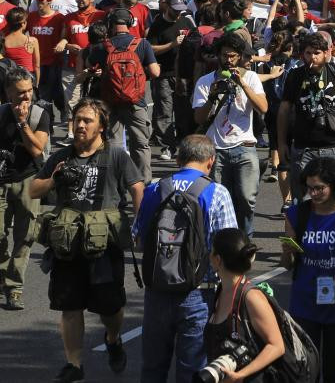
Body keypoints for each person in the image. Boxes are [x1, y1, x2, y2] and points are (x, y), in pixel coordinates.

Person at [30, 99, 144, 383]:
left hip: (104, 242)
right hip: (68, 242)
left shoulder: (117, 156)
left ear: (102, 127)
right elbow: (33, 189)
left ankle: (113, 338)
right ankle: (74, 364)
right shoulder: (61, 156)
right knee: (70, 306)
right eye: (77, 119)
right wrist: (54, 180)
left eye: (87, 121)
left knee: (110, 306)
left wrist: (140, 225)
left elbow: (137, 188)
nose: (80, 125)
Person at [134, 134, 237, 382]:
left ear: (178, 158)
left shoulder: (155, 189)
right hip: (197, 293)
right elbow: (229, 253)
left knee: (153, 368)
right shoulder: (217, 192)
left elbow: (138, 239)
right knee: (192, 369)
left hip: (157, 289)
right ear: (210, 161)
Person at [281, 157, 335, 383]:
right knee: (306, 369)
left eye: (319, 188)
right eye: (309, 188)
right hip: (305, 304)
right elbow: (287, 265)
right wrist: (287, 252)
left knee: (333, 369)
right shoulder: (296, 215)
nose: (313, 194)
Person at [277, 32, 335, 196]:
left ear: (326, 53)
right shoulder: (295, 75)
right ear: (302, 54)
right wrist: (281, 143)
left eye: (317, 53)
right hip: (303, 149)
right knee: (302, 200)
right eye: (308, 53)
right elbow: (284, 110)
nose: (312, 57)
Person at [193, 32, 267, 237]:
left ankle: (245, 238)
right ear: (218, 55)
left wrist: (242, 83)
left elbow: (263, 108)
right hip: (215, 148)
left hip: (244, 146)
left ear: (240, 57)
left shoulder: (251, 77)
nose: (229, 60)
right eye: (225, 55)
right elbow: (199, 119)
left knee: (246, 199)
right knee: (218, 200)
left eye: (233, 56)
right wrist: (212, 96)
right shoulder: (205, 82)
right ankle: (222, 243)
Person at [85, 7, 160, 183]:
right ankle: (143, 182)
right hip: (136, 102)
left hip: (110, 101)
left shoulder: (104, 46)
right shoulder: (142, 44)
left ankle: (116, 182)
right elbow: (155, 72)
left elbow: (89, 64)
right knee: (140, 144)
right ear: (130, 23)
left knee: (114, 143)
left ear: (110, 24)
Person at [203, 229, 286, 380]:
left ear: (218, 260)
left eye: (212, 251)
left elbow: (277, 346)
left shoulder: (251, 298)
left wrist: (240, 375)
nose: (209, 255)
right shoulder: (220, 292)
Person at [0, 68, 50, 310]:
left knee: (25, 236)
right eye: (20, 93)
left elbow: (37, 150)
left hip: (28, 181)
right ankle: (2, 275)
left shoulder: (40, 114)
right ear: (8, 92)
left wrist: (22, 123)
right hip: (1, 181)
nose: (26, 97)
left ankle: (14, 287)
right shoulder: (0, 114)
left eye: (30, 90)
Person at [145, 0, 196, 162]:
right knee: (164, 112)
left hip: (183, 74)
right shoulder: (157, 24)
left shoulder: (186, 20)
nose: (178, 13)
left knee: (183, 111)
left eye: (181, 9)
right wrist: (171, 45)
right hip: (164, 74)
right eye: (175, 9)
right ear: (167, 5)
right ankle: (168, 146)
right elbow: (150, 48)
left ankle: (182, 145)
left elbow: (196, 39)